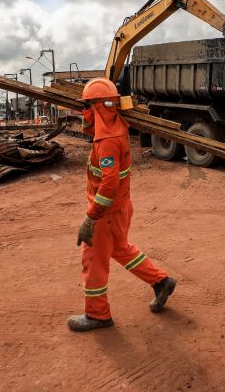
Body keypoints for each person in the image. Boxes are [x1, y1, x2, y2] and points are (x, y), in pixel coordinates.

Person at [68, 78, 176, 332]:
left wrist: (91, 217)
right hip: (120, 207)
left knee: (94, 260)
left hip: (105, 213)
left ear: (97, 107)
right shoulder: (118, 125)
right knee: (120, 248)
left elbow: (109, 184)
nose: (84, 112)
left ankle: (97, 315)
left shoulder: (106, 140)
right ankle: (161, 282)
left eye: (86, 106)